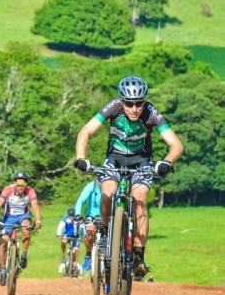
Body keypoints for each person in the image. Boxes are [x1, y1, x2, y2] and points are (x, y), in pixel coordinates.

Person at [74, 76, 183, 279]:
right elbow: (86, 131)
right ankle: (107, 236)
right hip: (114, 159)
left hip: (142, 161)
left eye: (139, 103)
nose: (134, 108)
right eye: (129, 103)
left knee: (140, 199)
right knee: (108, 192)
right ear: (122, 101)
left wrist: (166, 161)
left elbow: (176, 145)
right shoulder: (113, 107)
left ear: (144, 102)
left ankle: (139, 257)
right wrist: (81, 157)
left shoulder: (151, 112)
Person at [0, 172, 42, 286]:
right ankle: (3, 270)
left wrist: (38, 221)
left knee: (26, 229)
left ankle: (24, 254)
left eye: (22, 186)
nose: (20, 188)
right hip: (9, 218)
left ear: (26, 185)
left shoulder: (30, 192)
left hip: (24, 216)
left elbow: (35, 207)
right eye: (18, 185)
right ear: (14, 184)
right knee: (3, 242)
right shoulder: (7, 190)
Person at [74, 179, 102, 271]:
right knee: (90, 236)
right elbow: (81, 200)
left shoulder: (113, 185)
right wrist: (78, 213)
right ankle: (88, 255)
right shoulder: (92, 186)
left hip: (108, 217)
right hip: (92, 216)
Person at [56, 207, 85, 275]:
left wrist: (84, 236)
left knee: (76, 251)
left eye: (72, 215)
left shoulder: (78, 219)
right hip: (67, 235)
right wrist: (58, 234)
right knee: (64, 241)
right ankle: (63, 255)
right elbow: (60, 226)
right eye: (70, 216)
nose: (71, 217)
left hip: (76, 236)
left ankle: (75, 267)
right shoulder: (65, 218)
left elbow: (83, 227)